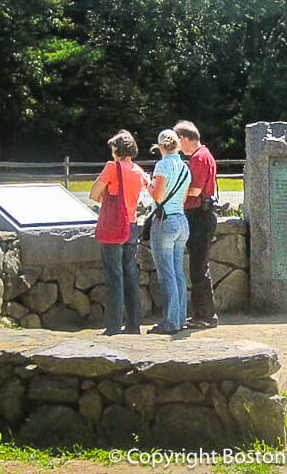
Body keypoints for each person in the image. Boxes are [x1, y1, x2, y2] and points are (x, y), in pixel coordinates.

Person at [89, 129, 148, 336]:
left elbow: (93, 193)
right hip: (132, 226)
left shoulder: (112, 168)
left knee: (114, 276)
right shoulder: (139, 171)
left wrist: (108, 202)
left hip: (114, 226)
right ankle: (134, 325)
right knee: (131, 275)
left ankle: (113, 326)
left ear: (117, 150)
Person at [174, 120, 219, 329]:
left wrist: (174, 199)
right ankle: (203, 314)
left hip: (199, 217)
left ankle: (205, 316)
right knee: (200, 267)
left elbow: (195, 189)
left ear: (184, 139)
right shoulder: (205, 154)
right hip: (203, 216)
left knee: (198, 269)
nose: (178, 146)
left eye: (178, 141)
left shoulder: (199, 157)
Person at [146, 129, 191, 335]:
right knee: (178, 272)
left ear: (160, 147)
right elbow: (181, 200)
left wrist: (147, 183)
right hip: (182, 221)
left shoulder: (162, 165)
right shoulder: (184, 168)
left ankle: (170, 321)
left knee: (167, 274)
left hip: (166, 222)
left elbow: (158, 196)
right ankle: (180, 318)